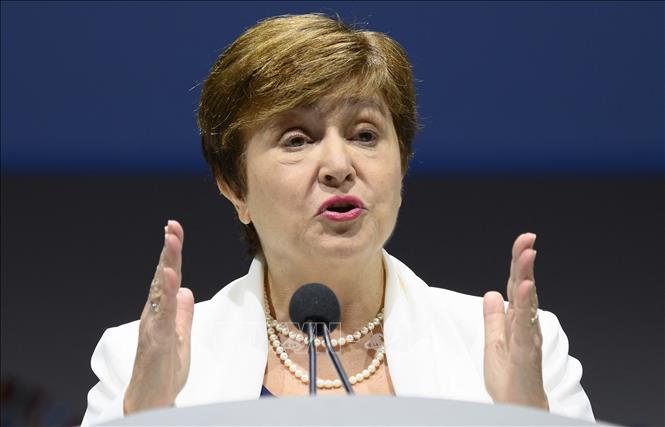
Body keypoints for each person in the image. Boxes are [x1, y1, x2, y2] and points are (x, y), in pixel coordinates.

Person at [81, 13, 594, 426]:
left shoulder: (516, 350)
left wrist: (529, 420)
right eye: (297, 139)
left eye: (365, 134)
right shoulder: (136, 360)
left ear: (402, 164)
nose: (338, 165)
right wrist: (145, 418)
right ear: (234, 185)